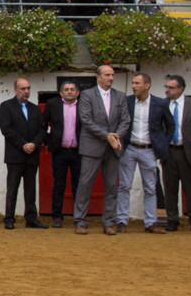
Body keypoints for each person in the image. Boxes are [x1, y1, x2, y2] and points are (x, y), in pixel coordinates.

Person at [74, 65, 131, 235]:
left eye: (112, 75)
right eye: (107, 75)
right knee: (85, 184)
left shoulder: (120, 96)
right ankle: (80, 221)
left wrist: (115, 136)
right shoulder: (87, 94)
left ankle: (108, 222)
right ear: (98, 77)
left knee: (112, 186)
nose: (111, 78)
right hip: (93, 145)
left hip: (113, 147)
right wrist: (107, 135)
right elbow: (86, 119)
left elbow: (125, 121)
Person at [116, 72, 175, 233]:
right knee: (124, 186)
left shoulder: (160, 103)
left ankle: (150, 222)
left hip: (149, 150)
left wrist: (163, 143)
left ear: (147, 85)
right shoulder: (127, 101)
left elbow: (170, 125)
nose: (134, 86)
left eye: (137, 83)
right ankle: (121, 220)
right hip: (129, 148)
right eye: (133, 83)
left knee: (150, 187)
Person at [0, 78, 48, 229]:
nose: (26, 91)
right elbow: (6, 129)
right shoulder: (6, 106)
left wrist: (34, 144)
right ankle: (9, 218)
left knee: (30, 188)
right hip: (15, 154)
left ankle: (31, 218)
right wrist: (23, 144)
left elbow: (42, 129)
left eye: (28, 88)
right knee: (12, 187)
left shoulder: (35, 108)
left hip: (32, 154)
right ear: (15, 90)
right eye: (23, 89)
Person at [161, 75, 191, 232]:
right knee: (170, 189)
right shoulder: (163, 104)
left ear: (180, 89)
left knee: (190, 189)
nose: (167, 90)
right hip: (169, 152)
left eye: (170, 87)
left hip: (187, 152)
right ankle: (172, 220)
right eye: (166, 87)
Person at [42, 81, 83, 228]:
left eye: (72, 89)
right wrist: (49, 141)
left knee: (78, 185)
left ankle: (79, 217)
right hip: (59, 151)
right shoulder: (53, 104)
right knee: (59, 185)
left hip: (79, 152)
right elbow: (42, 125)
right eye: (66, 90)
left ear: (78, 92)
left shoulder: (84, 104)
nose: (69, 92)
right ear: (61, 93)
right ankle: (57, 216)